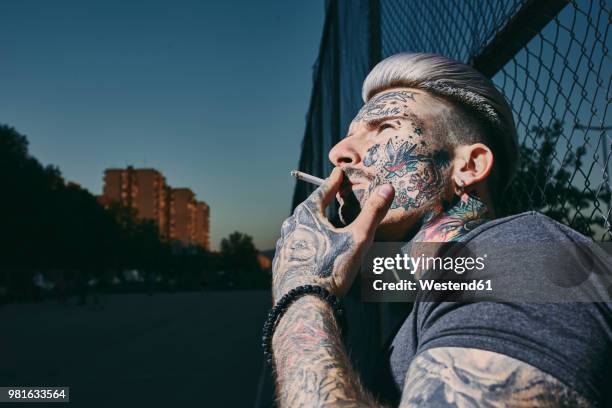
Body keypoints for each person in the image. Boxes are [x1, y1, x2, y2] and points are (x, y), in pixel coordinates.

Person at [269, 53, 612, 407]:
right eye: (349, 135)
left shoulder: (523, 259)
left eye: (385, 127)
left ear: (469, 165)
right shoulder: (434, 295)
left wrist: (302, 292)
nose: (338, 152)